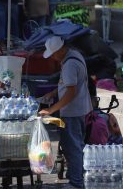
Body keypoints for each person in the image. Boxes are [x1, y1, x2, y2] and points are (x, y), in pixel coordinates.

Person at [39, 36, 92, 189]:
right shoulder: (75, 55)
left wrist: (50, 110)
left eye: (54, 54)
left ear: (61, 49)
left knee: (72, 147)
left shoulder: (70, 64)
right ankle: (75, 177)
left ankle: (76, 182)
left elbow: (71, 92)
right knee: (74, 146)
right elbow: (69, 84)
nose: (54, 57)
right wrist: (53, 93)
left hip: (73, 111)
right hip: (79, 109)